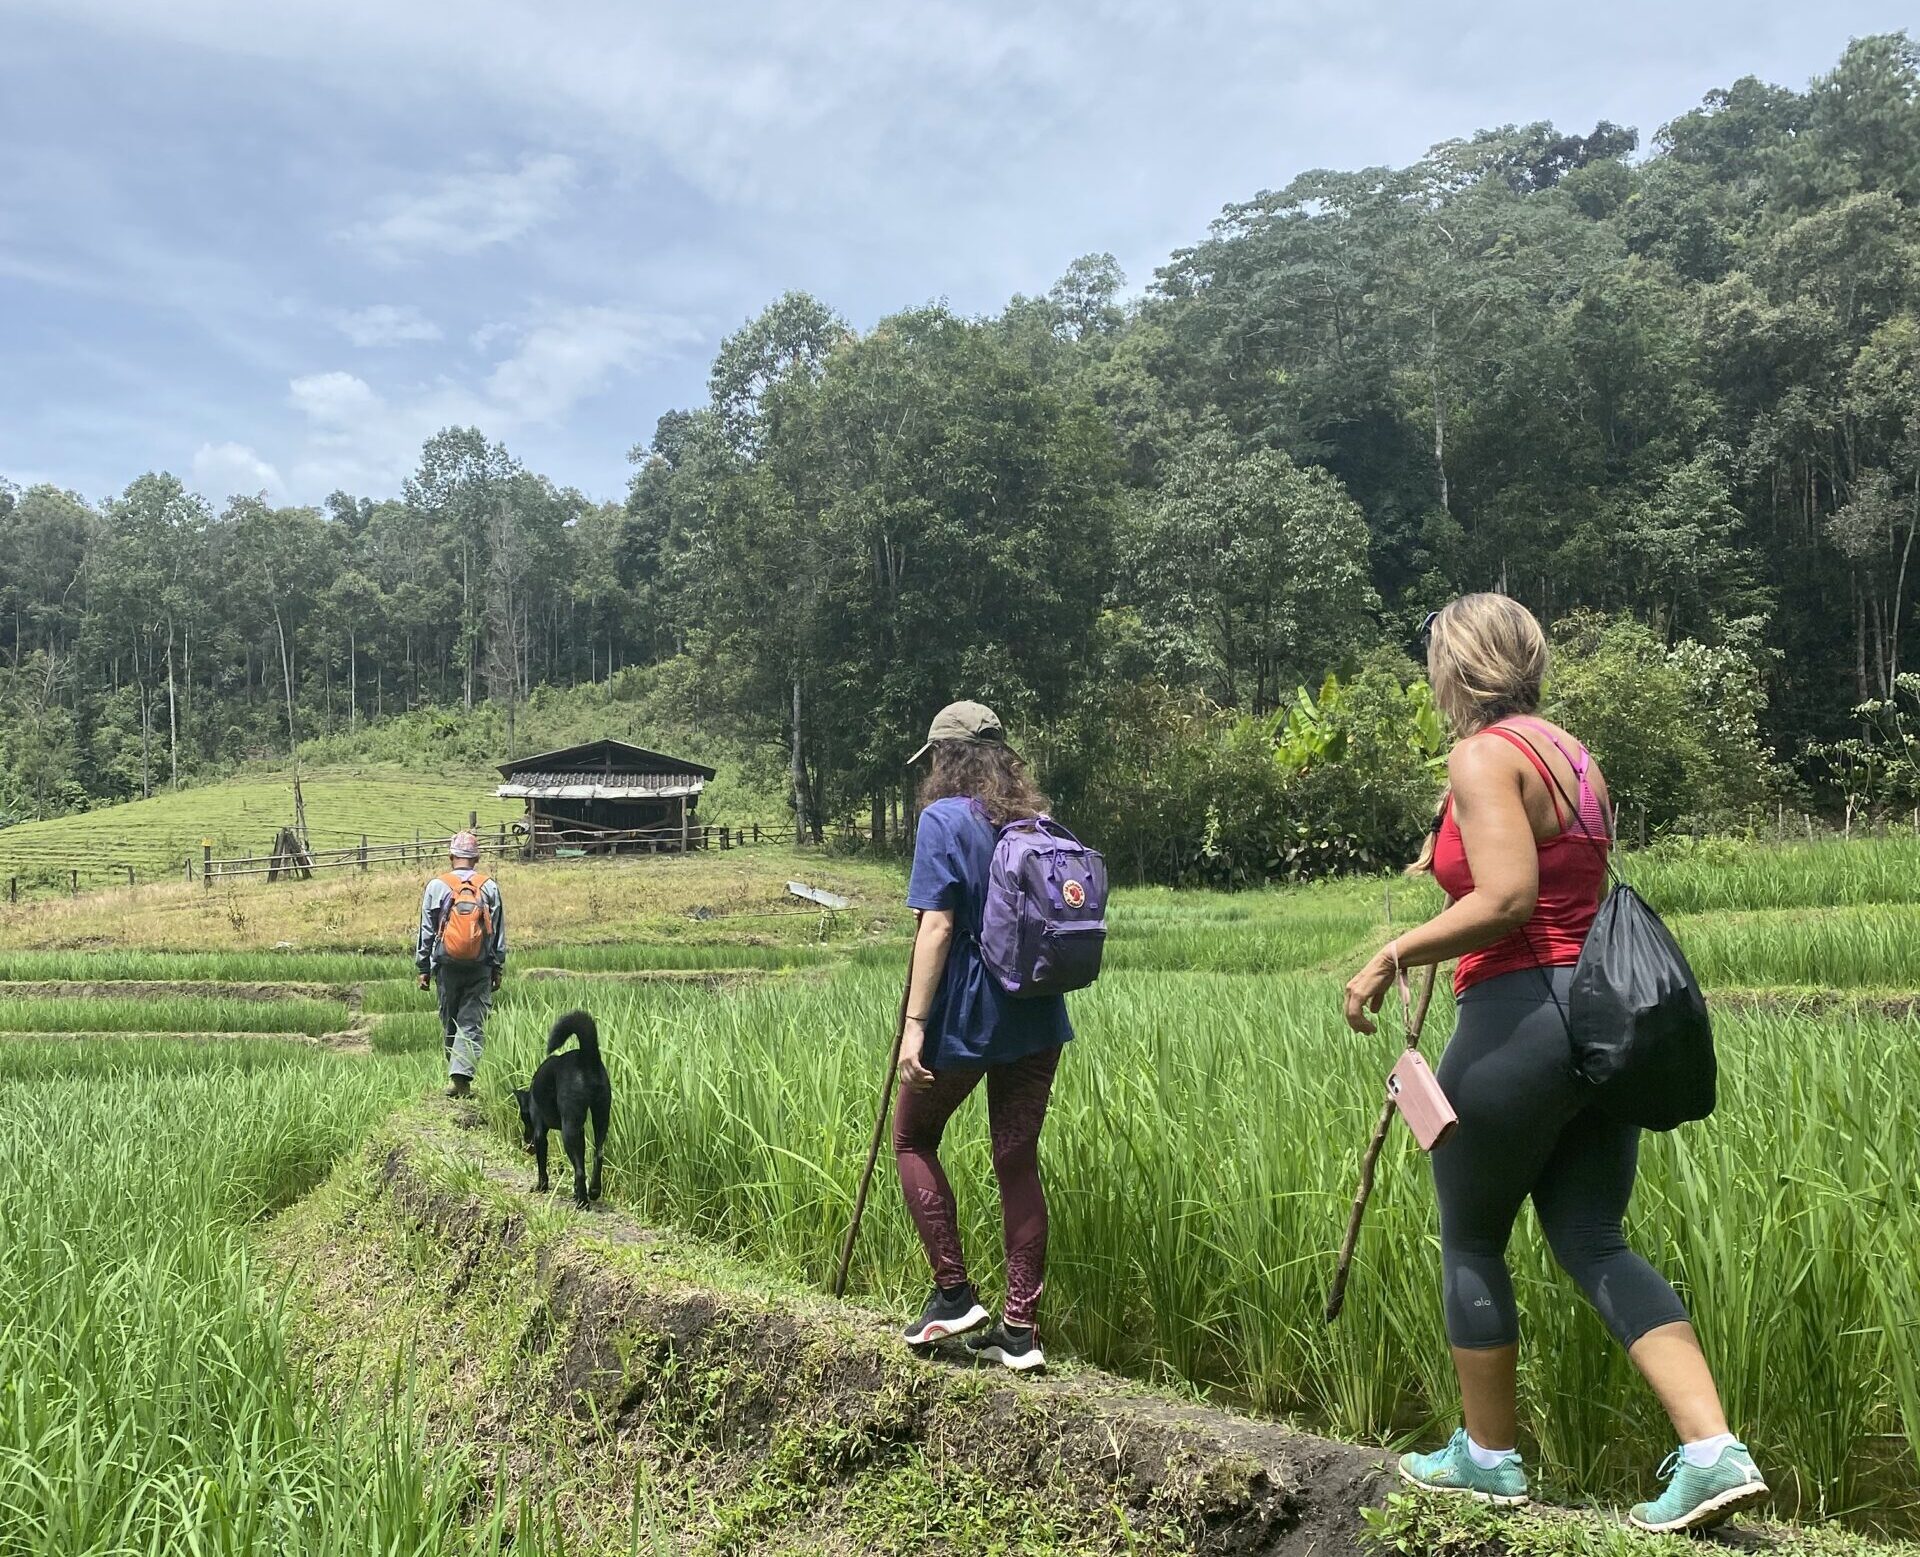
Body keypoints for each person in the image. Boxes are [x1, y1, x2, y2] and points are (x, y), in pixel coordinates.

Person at [1341, 594, 1765, 1534]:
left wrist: (1393, 953)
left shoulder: (1481, 755)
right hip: (1601, 1023)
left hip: (1518, 1015)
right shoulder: (1571, 754)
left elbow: (1509, 895)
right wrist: (1443, 849)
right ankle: (1712, 1450)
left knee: (1473, 1234)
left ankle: (1487, 1459)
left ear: (1457, 669)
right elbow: (1547, 863)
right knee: (1592, 1236)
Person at [893, 700, 1071, 1372]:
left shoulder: (942, 819)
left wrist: (915, 1027)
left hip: (971, 1012)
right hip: (1038, 1011)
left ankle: (953, 1292)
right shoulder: (1039, 821)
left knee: (913, 1136)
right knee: (1016, 1159)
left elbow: (936, 927)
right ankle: (1020, 1331)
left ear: (947, 758)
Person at [415, 830, 507, 1100]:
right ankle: (461, 1078)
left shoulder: (436, 886)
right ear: (476, 858)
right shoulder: (489, 886)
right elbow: (498, 933)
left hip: (446, 965)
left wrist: (423, 968)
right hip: (480, 966)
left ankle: (457, 1079)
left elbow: (426, 932)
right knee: (472, 1021)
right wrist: (497, 966)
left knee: (450, 1018)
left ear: (451, 856)